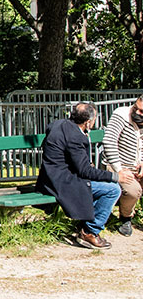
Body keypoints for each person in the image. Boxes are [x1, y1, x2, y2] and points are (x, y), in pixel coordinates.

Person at [35, 101, 127, 249]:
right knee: (113, 189)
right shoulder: (76, 137)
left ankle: (86, 225)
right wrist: (115, 177)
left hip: (49, 178)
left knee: (102, 187)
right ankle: (89, 232)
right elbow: (85, 171)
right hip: (64, 183)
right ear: (88, 122)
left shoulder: (58, 125)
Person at [103, 96, 143, 236]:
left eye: (141, 111)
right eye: (135, 108)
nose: (137, 113)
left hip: (137, 166)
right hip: (117, 166)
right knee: (133, 190)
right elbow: (109, 142)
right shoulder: (121, 114)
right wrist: (119, 170)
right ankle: (126, 218)